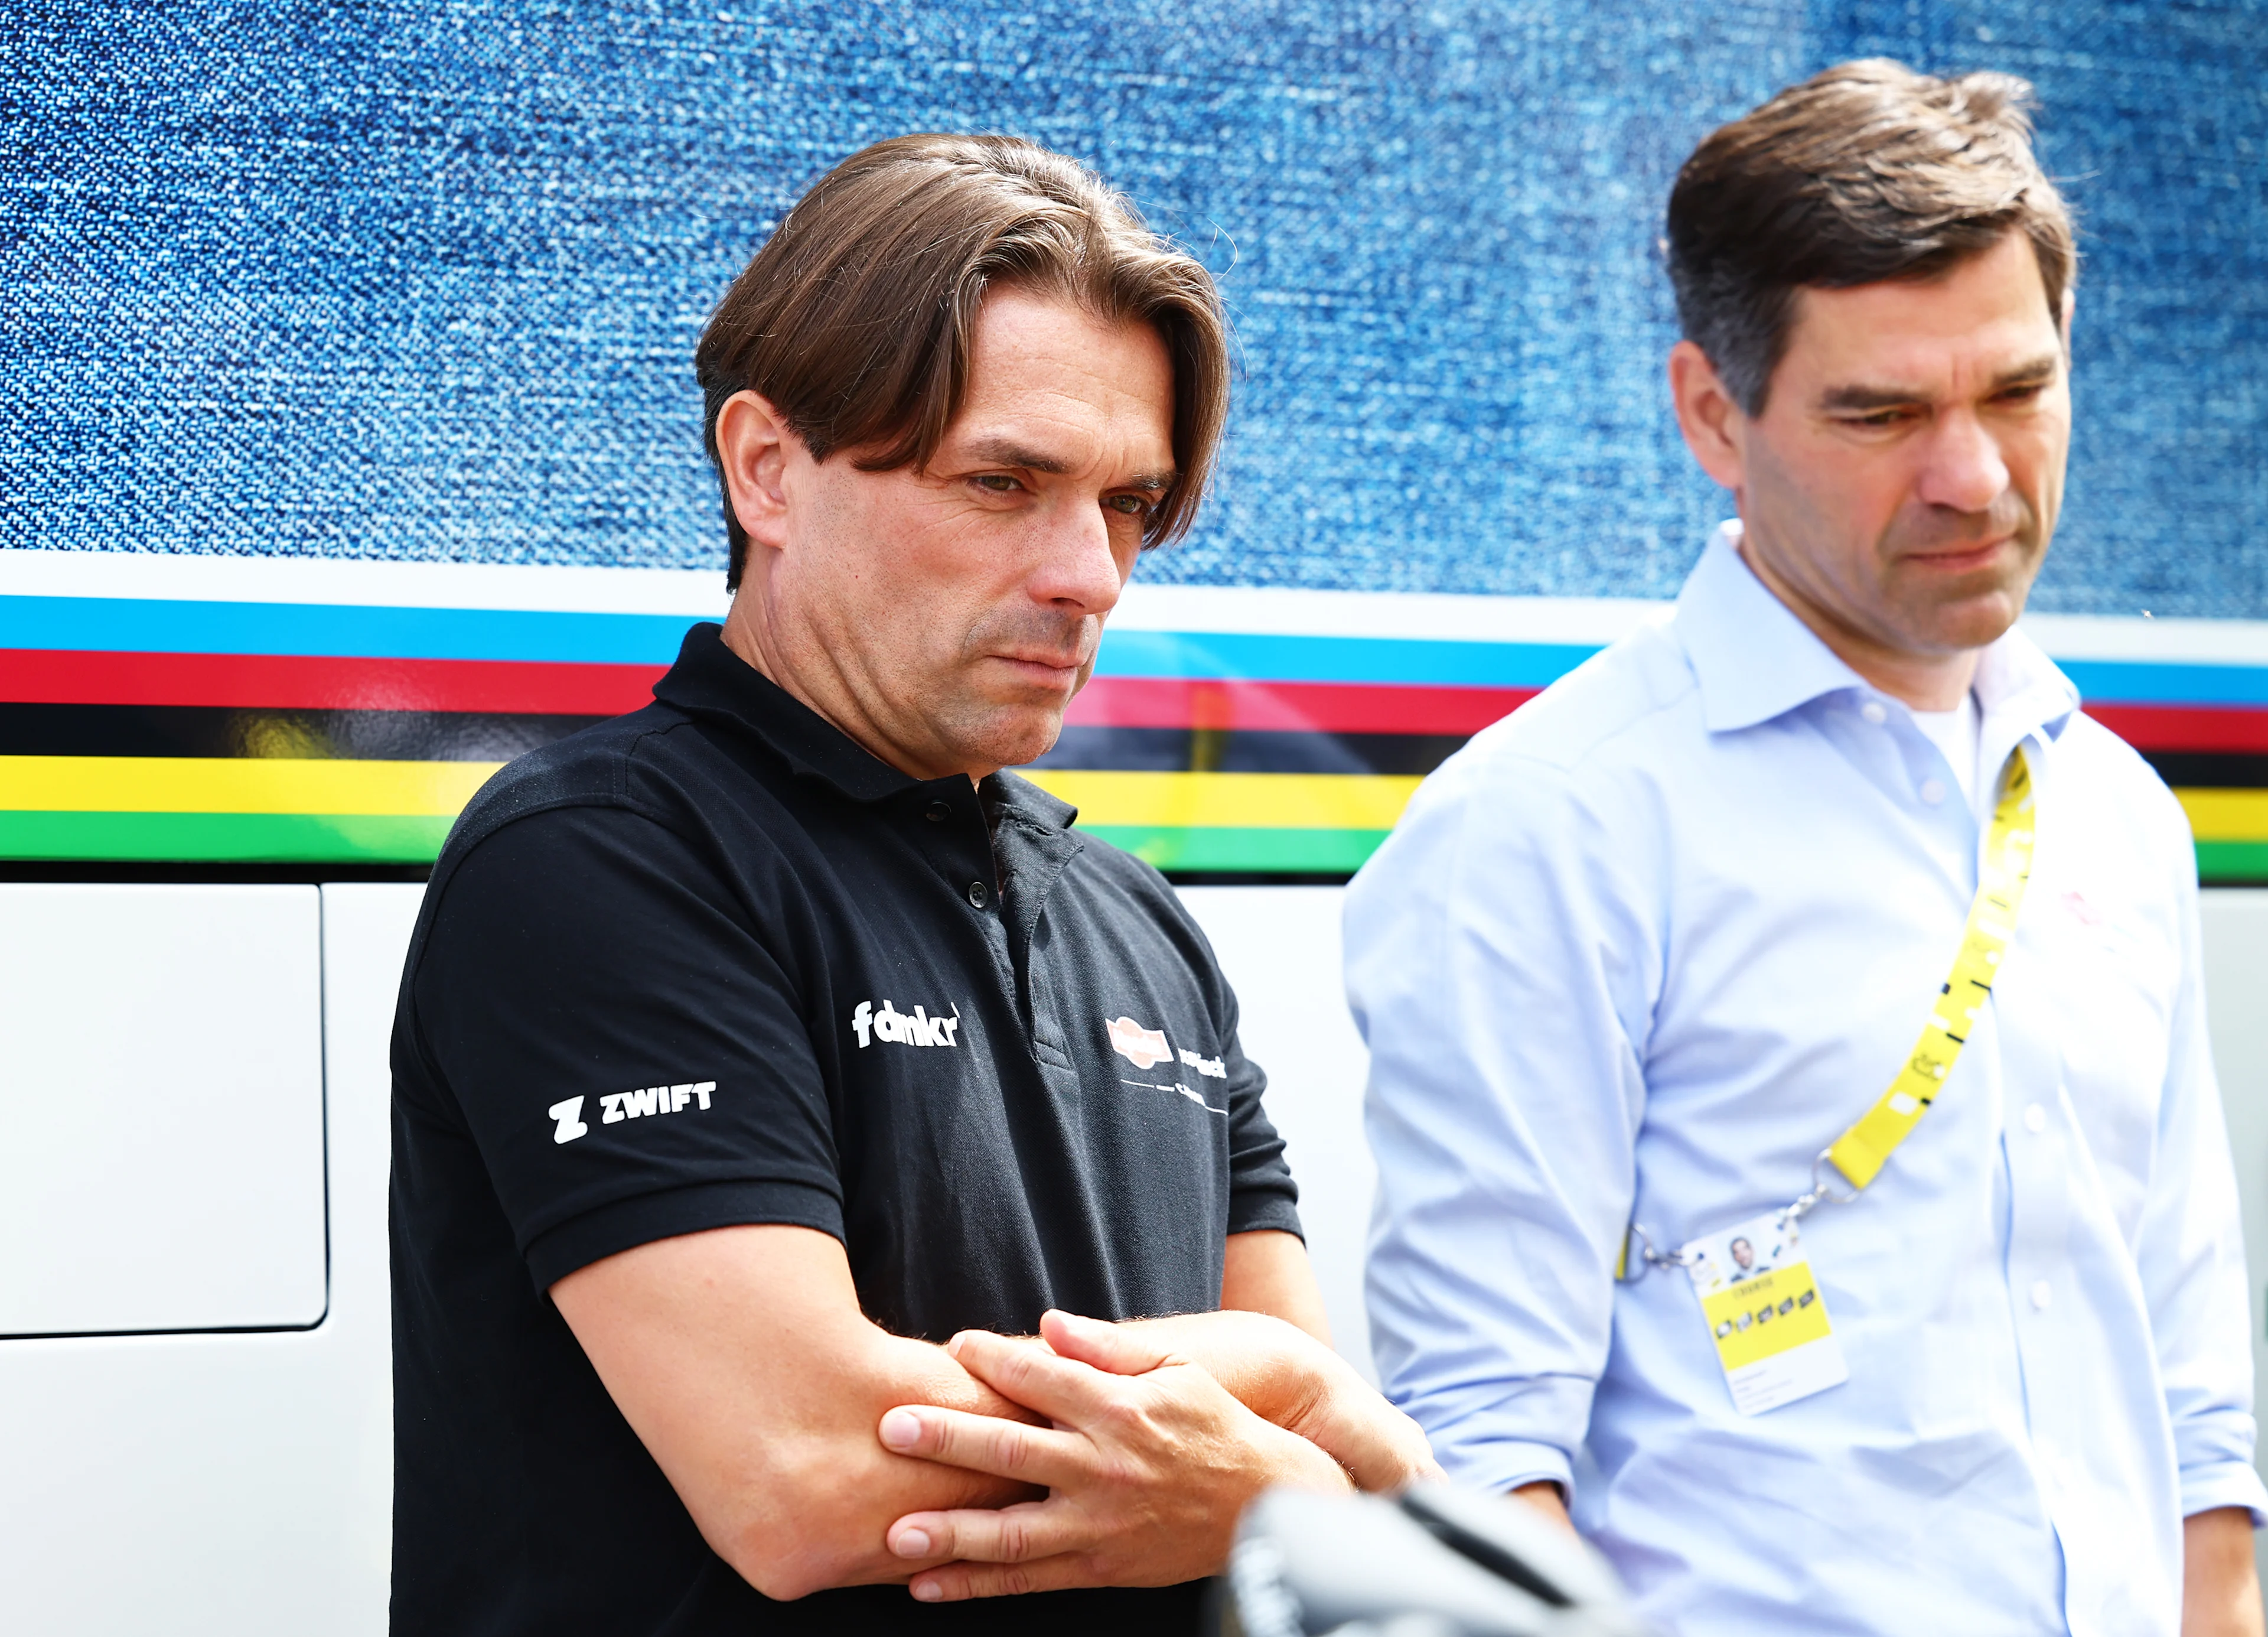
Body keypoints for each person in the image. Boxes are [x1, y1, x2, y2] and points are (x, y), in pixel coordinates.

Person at [389, 133, 1434, 1637]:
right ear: (767, 468)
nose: (1093, 574)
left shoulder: (1142, 925)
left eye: (1128, 504)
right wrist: (1289, 1411)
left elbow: (1314, 1468)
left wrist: (1293, 1444)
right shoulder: (598, 855)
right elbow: (810, 1471)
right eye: (1003, 481)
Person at [1347, 61, 2265, 1637]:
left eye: (2019, 391)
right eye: (1883, 412)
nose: (1973, 477)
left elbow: (2190, 1384)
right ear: (1713, 410)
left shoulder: (2116, 806)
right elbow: (1483, 1451)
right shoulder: (1550, 827)